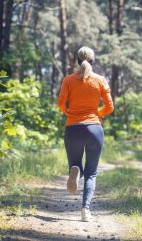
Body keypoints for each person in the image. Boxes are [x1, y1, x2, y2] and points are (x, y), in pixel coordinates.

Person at [57, 46, 114, 222]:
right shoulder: (100, 80)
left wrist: (71, 114)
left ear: (77, 60)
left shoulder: (68, 80)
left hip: (73, 128)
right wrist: (97, 114)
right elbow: (110, 107)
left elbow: (60, 104)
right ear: (93, 61)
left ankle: (75, 172)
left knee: (76, 164)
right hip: (94, 129)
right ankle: (85, 210)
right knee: (92, 173)